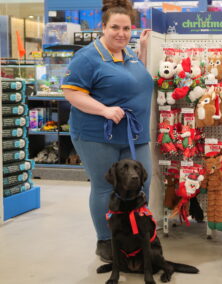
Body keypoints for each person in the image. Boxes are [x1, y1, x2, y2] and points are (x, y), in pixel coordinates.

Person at [61, 0, 153, 263]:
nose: (121, 33)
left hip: (134, 135)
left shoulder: (129, 53)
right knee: (105, 187)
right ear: (103, 27)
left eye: (126, 28)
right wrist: (104, 110)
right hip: (97, 135)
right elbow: (70, 92)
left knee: (142, 182)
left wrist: (143, 50)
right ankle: (105, 240)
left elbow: (136, 79)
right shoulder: (88, 57)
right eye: (115, 27)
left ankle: (134, 233)